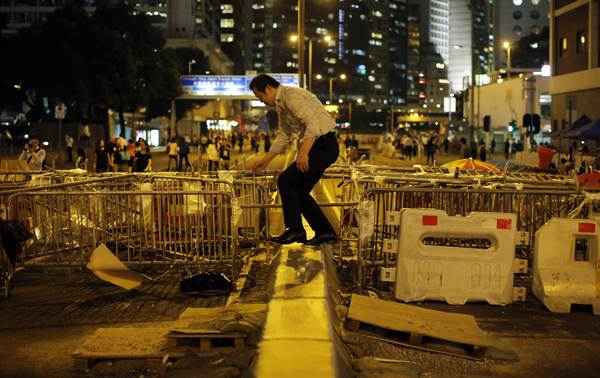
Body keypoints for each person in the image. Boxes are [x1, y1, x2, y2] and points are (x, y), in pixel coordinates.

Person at [247, 74, 338, 246]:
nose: (262, 101)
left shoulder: (291, 96)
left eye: (260, 97)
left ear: (268, 89)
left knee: (286, 181)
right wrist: (265, 160)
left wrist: (303, 153)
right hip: (317, 146)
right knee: (298, 190)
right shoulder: (281, 105)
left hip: (323, 145)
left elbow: (312, 124)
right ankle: (325, 232)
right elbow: (285, 135)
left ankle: (295, 230)